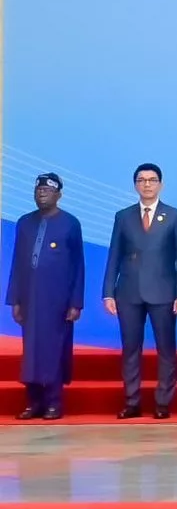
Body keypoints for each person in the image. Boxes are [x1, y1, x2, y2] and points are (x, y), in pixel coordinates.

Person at [103, 163, 177, 420]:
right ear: (135, 185)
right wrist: (108, 292)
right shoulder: (123, 216)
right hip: (128, 292)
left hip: (163, 293)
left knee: (166, 349)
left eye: (152, 180)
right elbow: (114, 255)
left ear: (160, 184)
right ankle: (132, 401)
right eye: (142, 180)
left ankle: (162, 402)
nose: (147, 184)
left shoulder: (174, 216)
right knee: (131, 349)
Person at [9, 174, 82, 421]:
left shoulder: (71, 224)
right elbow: (17, 263)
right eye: (38, 190)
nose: (42, 194)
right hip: (29, 300)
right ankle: (33, 403)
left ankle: (53, 403)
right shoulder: (24, 223)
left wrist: (75, 302)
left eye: (47, 191)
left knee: (54, 352)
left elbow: (78, 266)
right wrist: (15, 300)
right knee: (31, 353)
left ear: (58, 195)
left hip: (58, 302)